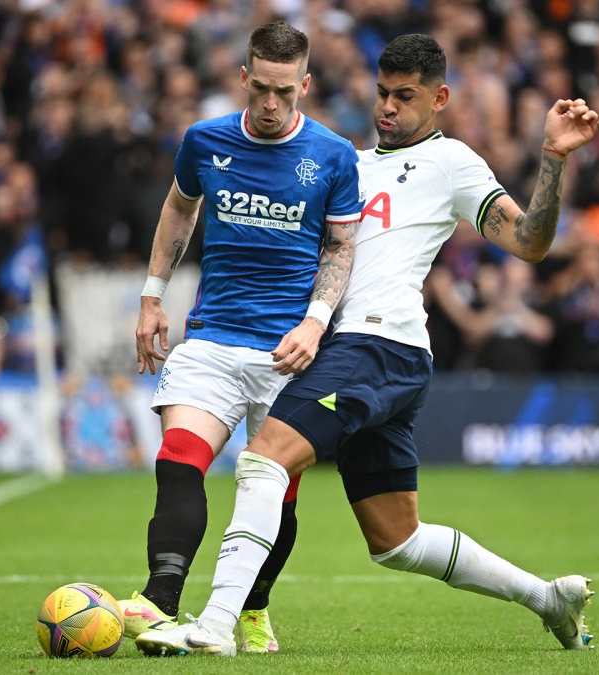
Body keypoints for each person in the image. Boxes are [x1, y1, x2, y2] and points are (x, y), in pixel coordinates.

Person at [135, 34, 599, 657]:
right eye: (382, 93)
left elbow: (530, 242)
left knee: (265, 457)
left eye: (405, 97)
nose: (388, 107)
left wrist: (552, 157)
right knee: (396, 540)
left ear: (438, 98)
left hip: (377, 343)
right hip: (352, 354)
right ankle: (549, 599)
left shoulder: (451, 162)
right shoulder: (342, 161)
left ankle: (217, 624)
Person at [122, 21, 363, 654]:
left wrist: (316, 322)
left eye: (285, 91)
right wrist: (152, 295)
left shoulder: (334, 155)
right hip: (212, 336)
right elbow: (180, 208)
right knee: (179, 459)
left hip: (289, 350)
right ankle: (158, 601)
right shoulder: (204, 141)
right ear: (243, 78)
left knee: (273, 491)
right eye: (260, 88)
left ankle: (252, 608)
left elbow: (341, 247)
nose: (271, 102)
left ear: (304, 84)